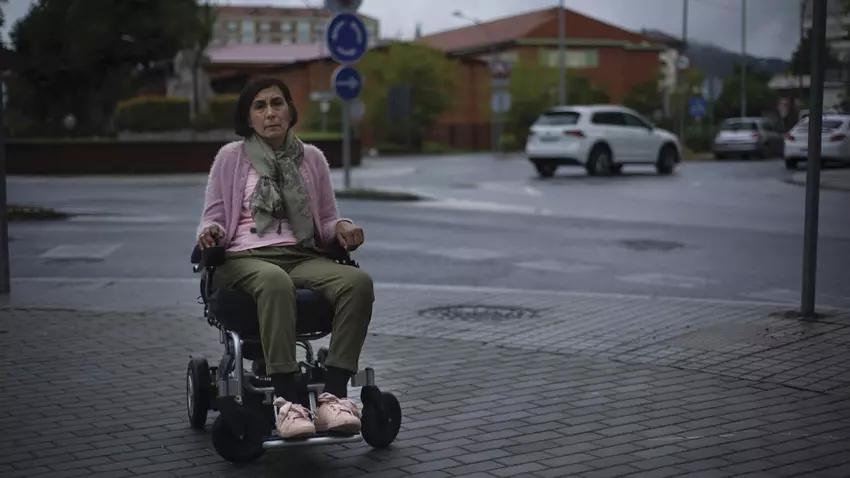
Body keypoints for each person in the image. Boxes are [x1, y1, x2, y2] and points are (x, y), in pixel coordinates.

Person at [196, 77, 374, 439]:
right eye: (259, 106)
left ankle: (334, 396)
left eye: (277, 103)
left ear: (290, 111)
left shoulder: (313, 159)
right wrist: (210, 231)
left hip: (301, 254)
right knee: (274, 281)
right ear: (248, 118)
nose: (270, 112)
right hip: (243, 257)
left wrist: (342, 226)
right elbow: (213, 216)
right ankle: (288, 400)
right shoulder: (231, 158)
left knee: (358, 282)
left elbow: (327, 219)